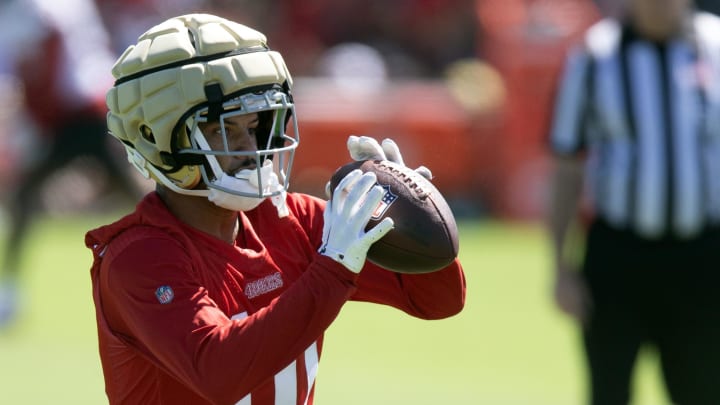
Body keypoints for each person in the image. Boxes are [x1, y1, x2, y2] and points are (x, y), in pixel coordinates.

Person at [85, 13, 466, 404]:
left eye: (254, 126)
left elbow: (437, 298)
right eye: (223, 130)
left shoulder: (293, 220)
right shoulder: (140, 257)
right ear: (156, 138)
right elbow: (219, 372)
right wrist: (332, 268)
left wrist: (408, 208)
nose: (250, 148)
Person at [547, 1, 720, 404]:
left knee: (704, 389)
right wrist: (560, 266)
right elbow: (567, 166)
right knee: (609, 391)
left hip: (704, 257)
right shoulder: (594, 55)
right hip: (620, 257)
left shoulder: (716, 43)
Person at [0, 0, 141, 327]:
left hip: (88, 111)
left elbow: (50, 65)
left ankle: (193, 258)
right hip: (66, 118)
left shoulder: (46, 10)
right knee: (24, 199)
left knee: (141, 193)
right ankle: (9, 290)